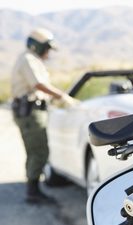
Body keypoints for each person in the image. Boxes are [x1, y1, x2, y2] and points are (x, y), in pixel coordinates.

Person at [11, 28, 77, 204]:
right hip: (30, 112)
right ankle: (33, 192)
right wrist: (62, 96)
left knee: (36, 150)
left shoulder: (32, 60)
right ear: (37, 46)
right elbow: (38, 84)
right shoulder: (28, 59)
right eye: (46, 48)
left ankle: (33, 189)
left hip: (33, 110)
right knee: (38, 151)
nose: (48, 52)